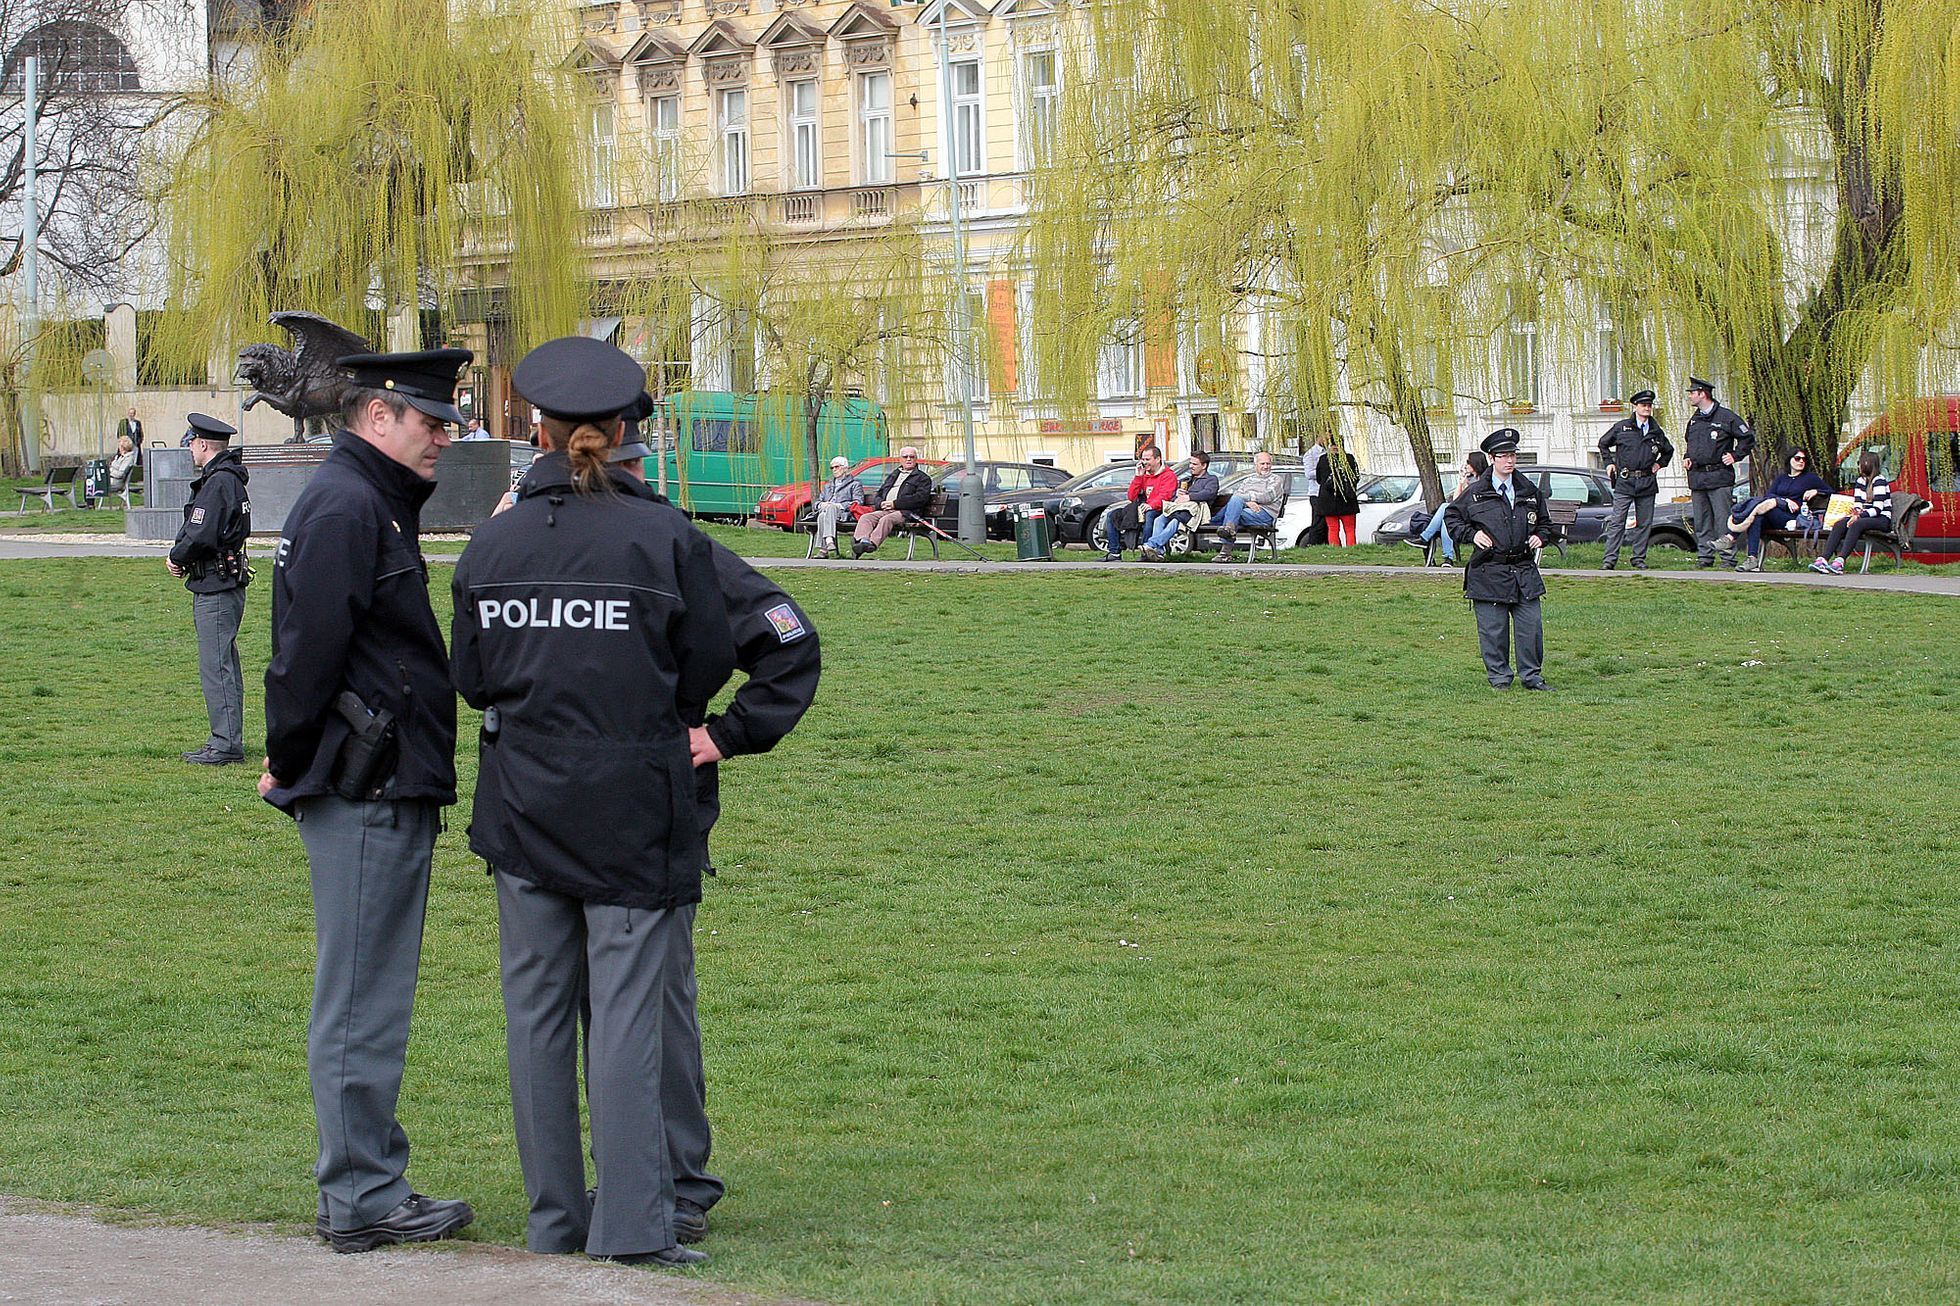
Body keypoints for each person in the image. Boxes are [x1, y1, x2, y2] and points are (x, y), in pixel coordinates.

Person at [450, 337, 735, 1268]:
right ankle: (633, 1228)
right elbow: (701, 668)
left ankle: (554, 1223)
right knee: (624, 1017)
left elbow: (473, 680)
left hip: (524, 803)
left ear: (537, 430)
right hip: (633, 807)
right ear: (620, 434)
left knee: (534, 1018)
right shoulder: (664, 538)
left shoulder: (490, 542)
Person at [258, 347, 477, 1254]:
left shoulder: (363, 500)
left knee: (366, 989)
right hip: (366, 783)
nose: (444, 438)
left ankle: (368, 1176)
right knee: (360, 996)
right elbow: (304, 653)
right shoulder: (351, 505)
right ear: (377, 415)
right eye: (431, 421)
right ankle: (360, 1195)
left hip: (377, 775)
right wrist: (290, 757)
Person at [606, 415, 821, 1247]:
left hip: (652, 803)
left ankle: (673, 1178)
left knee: (655, 997)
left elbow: (784, 635)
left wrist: (725, 735)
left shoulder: (674, 543)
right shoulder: (534, 533)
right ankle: (617, 1179)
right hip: (558, 806)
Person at [1445, 428, 1559, 691]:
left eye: (1513, 455)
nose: (1509, 461)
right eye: (1503, 456)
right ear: (1492, 458)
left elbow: (1545, 523)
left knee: (1531, 628)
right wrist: (1471, 534)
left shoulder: (1529, 490)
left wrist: (1541, 537)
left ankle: (1532, 677)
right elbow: (1452, 518)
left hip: (1523, 569)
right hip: (1488, 570)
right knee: (1493, 631)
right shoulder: (1475, 493)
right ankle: (1499, 679)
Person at [167, 414, 251, 765]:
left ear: (202, 444)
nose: (189, 449)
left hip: (215, 584)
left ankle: (225, 743)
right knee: (224, 663)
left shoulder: (218, 483)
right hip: (224, 581)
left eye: (191, 443)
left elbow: (200, 533)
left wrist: (176, 557)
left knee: (216, 666)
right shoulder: (230, 480)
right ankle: (225, 737)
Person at [1681, 376, 1755, 569]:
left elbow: (1747, 438)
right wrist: (1687, 456)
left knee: (1723, 520)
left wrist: (1735, 456)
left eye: (1692, 393)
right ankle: (1705, 556)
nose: (1689, 396)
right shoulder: (1695, 420)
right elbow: (1690, 443)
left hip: (1719, 476)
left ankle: (1727, 558)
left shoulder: (1726, 417)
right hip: (1698, 477)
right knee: (1702, 521)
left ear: (1702, 394)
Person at [1597, 388, 1674, 570]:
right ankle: (1609, 559)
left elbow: (1668, 451)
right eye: (1643, 405)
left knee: (1644, 523)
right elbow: (1603, 443)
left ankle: (1638, 558)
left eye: (1649, 405)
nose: (1647, 408)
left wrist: (1659, 464)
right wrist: (1609, 463)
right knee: (1617, 522)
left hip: (1647, 481)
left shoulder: (1655, 430)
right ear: (1635, 406)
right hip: (1625, 480)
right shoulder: (1623, 427)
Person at [1720, 447, 1830, 571]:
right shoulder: (1781, 478)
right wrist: (1784, 501)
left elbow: (1830, 491)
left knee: (1762, 508)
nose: (1801, 462)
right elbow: (1770, 495)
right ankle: (1752, 558)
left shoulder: (1810, 478)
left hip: (1791, 517)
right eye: (1797, 458)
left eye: (1804, 459)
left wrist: (1815, 491)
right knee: (1757, 518)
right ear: (1789, 460)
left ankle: (1731, 536)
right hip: (1774, 514)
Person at [1810, 450, 1893, 575]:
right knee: (1840, 524)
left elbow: (1877, 508)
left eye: (1860, 463)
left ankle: (1840, 561)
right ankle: (1823, 559)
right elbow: (1858, 502)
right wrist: (1855, 513)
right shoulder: (1861, 481)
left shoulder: (1879, 481)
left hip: (1881, 519)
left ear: (1867, 463)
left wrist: (1858, 516)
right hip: (1864, 516)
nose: (1858, 466)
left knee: (1856, 524)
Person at [1410, 451, 1489, 565]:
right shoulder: (1470, 478)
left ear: (1475, 463)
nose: (1466, 465)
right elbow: (1456, 500)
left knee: (1446, 508)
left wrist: (1465, 485)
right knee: (1447, 517)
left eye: (1468, 462)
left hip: (1475, 516)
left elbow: (1471, 501)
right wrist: (1461, 482)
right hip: (1464, 514)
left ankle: (1425, 538)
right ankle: (1448, 558)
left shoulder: (1484, 480)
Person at [1138, 449, 1219, 561]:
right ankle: (1159, 552)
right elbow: (1173, 498)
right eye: (1190, 463)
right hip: (1179, 510)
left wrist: (1189, 497)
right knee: (1159, 520)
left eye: (1194, 464)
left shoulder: (1211, 479)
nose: (1191, 466)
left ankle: (1152, 545)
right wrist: (1177, 495)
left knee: (1176, 522)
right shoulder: (1187, 480)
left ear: (1204, 466)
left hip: (1195, 514)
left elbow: (1209, 493)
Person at [852, 447, 932, 557]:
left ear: (916, 459)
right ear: (900, 459)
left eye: (911, 457)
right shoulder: (894, 474)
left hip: (906, 512)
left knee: (886, 520)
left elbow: (919, 499)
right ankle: (863, 541)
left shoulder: (922, 478)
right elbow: (880, 492)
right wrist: (880, 503)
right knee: (866, 517)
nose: (908, 459)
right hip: (886, 509)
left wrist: (895, 504)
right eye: (905, 457)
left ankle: (872, 544)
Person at [1102, 446, 1177, 560]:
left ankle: (1146, 551)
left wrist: (1150, 505)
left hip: (1160, 509)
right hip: (1141, 508)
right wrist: (1138, 476)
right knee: (1112, 515)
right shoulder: (1144, 475)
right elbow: (1132, 496)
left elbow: (1165, 496)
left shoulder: (1168, 475)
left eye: (1148, 459)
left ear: (1157, 459)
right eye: (1143, 459)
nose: (1144, 462)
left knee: (1150, 514)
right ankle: (1114, 552)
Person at [1210, 450, 1288, 560]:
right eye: (1262, 464)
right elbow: (1238, 494)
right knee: (1235, 507)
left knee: (1235, 505)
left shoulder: (1276, 480)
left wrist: (1246, 499)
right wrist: (1247, 503)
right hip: (1245, 513)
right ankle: (1227, 536)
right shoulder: (1249, 480)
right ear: (1256, 465)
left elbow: (1268, 497)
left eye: (1268, 463)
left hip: (1264, 514)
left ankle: (1221, 530)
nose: (1265, 466)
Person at [812, 456, 862, 559]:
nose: (834, 470)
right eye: (832, 468)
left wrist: (839, 506)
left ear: (845, 468)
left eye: (837, 467)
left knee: (829, 510)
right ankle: (828, 543)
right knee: (822, 514)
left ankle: (825, 547)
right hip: (827, 513)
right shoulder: (828, 486)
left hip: (844, 514)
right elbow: (817, 503)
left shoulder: (855, 484)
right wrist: (821, 505)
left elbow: (858, 502)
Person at [1314, 443, 1361, 546]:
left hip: (1328, 500)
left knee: (1333, 529)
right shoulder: (1349, 458)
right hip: (1347, 499)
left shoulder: (1323, 459)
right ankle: (1351, 551)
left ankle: (1335, 551)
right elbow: (1356, 477)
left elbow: (1318, 479)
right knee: (1349, 529)